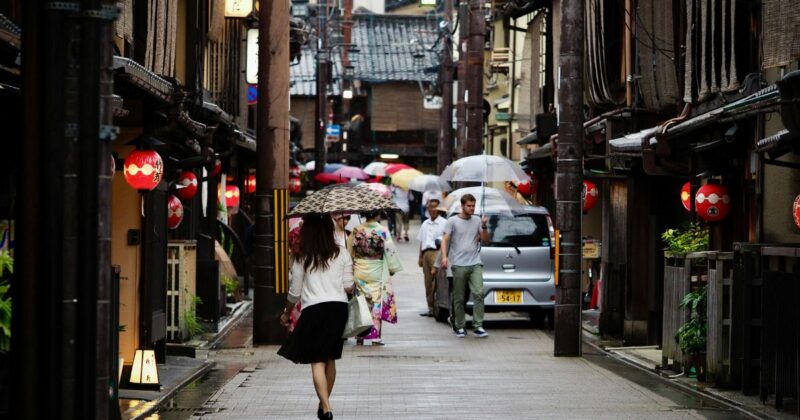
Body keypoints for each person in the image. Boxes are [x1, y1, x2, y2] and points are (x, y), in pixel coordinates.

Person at [278, 215, 354, 420]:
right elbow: (348, 286)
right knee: (330, 358)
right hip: (339, 309)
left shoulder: (303, 256)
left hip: (314, 310)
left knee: (317, 361)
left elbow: (294, 292)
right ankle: (324, 406)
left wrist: (286, 313)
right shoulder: (342, 253)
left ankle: (327, 408)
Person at [347, 211, 403, 345]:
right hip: (377, 269)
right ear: (377, 215)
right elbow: (389, 251)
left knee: (361, 302)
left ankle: (360, 335)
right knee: (377, 301)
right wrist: (392, 268)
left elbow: (349, 250)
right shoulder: (382, 230)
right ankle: (375, 335)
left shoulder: (357, 230)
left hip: (360, 269)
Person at [440, 194, 490, 338]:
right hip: (458, 264)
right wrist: (444, 257)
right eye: (469, 205)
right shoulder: (452, 221)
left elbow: (486, 240)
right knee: (459, 297)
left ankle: (478, 325)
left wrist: (484, 225)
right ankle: (460, 326)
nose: (472, 208)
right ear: (462, 206)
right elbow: (445, 240)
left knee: (479, 293)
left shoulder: (477, 220)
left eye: (473, 205)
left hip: (475, 263)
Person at [416, 198, 448, 317]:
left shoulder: (444, 223)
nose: (433, 209)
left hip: (437, 253)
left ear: (439, 209)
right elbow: (422, 241)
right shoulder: (425, 223)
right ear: (427, 209)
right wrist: (420, 256)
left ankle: (437, 307)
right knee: (428, 282)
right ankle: (430, 307)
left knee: (437, 282)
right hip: (426, 254)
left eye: (435, 207)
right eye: (431, 207)